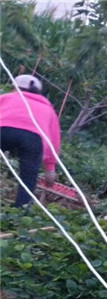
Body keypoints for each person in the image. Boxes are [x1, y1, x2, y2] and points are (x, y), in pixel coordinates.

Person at [0, 74, 61, 207]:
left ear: (14, 87)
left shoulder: (6, 98)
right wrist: (50, 169)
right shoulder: (48, 108)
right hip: (33, 138)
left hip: (3, 129)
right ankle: (21, 211)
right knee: (29, 176)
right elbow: (54, 140)